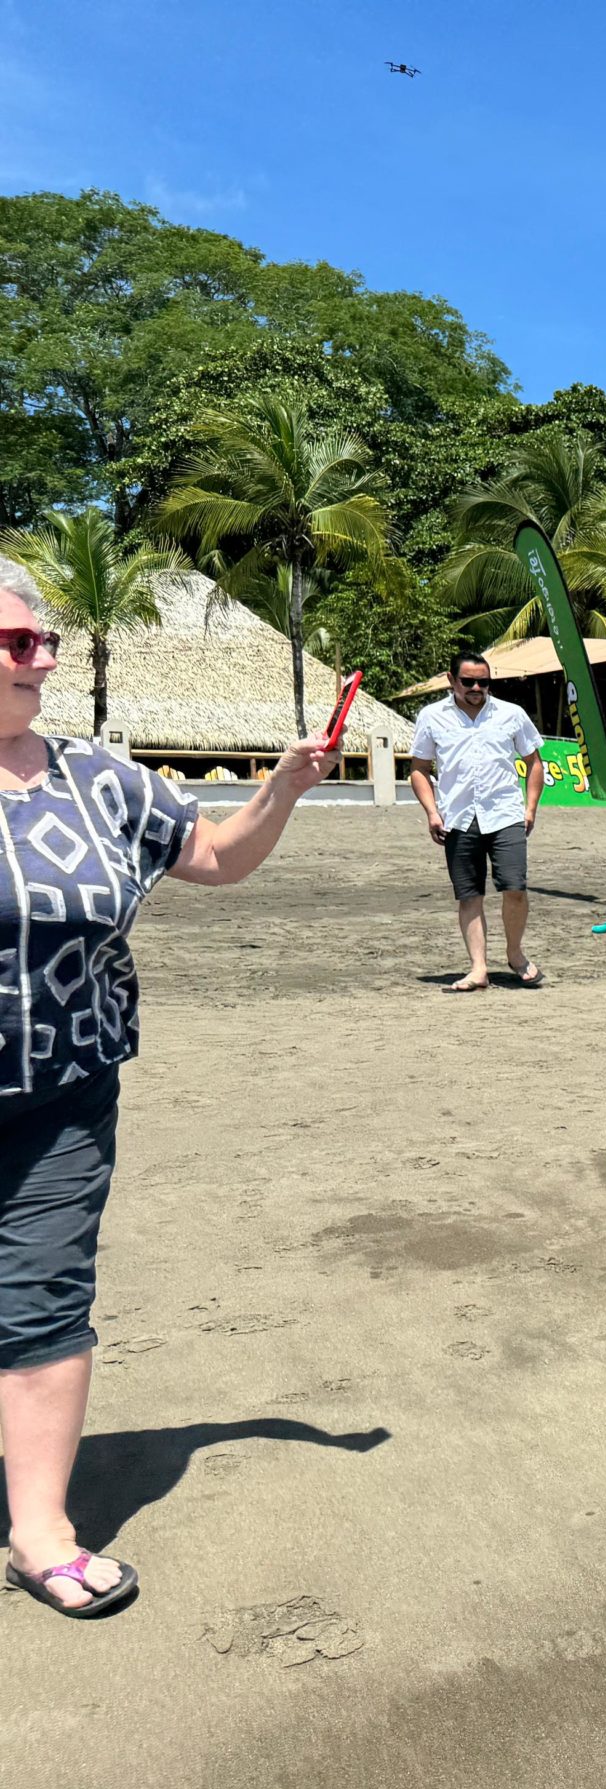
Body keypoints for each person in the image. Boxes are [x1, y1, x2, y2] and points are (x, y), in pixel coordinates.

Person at [0, 589, 341, 1617]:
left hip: (62, 1094)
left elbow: (215, 859)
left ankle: (43, 1532)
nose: (43, 660)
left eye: (46, 641)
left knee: (44, 1304)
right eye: (18, 642)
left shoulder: (102, 779)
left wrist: (281, 790)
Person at [408, 650, 546, 992]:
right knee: (469, 895)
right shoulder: (431, 716)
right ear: (451, 680)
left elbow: (534, 763)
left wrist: (530, 809)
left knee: (514, 888)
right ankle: (478, 968)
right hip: (457, 816)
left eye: (483, 682)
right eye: (468, 681)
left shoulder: (511, 714)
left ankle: (515, 954)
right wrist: (432, 812)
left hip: (505, 813)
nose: (476, 687)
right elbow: (419, 770)